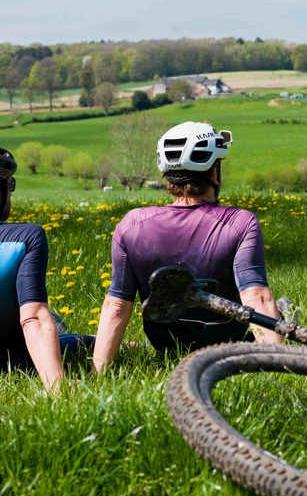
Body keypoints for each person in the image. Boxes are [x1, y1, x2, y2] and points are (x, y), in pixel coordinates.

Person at [93, 121, 281, 371]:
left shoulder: (132, 225)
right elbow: (257, 297)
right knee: (283, 307)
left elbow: (117, 307)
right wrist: (276, 369)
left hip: (168, 347)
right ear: (213, 172)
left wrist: (99, 373)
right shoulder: (240, 223)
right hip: (228, 346)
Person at [0, 147, 87, 392]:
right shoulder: (25, 237)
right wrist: (57, 386)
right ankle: (99, 342)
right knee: (57, 326)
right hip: (11, 359)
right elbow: (34, 318)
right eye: (10, 186)